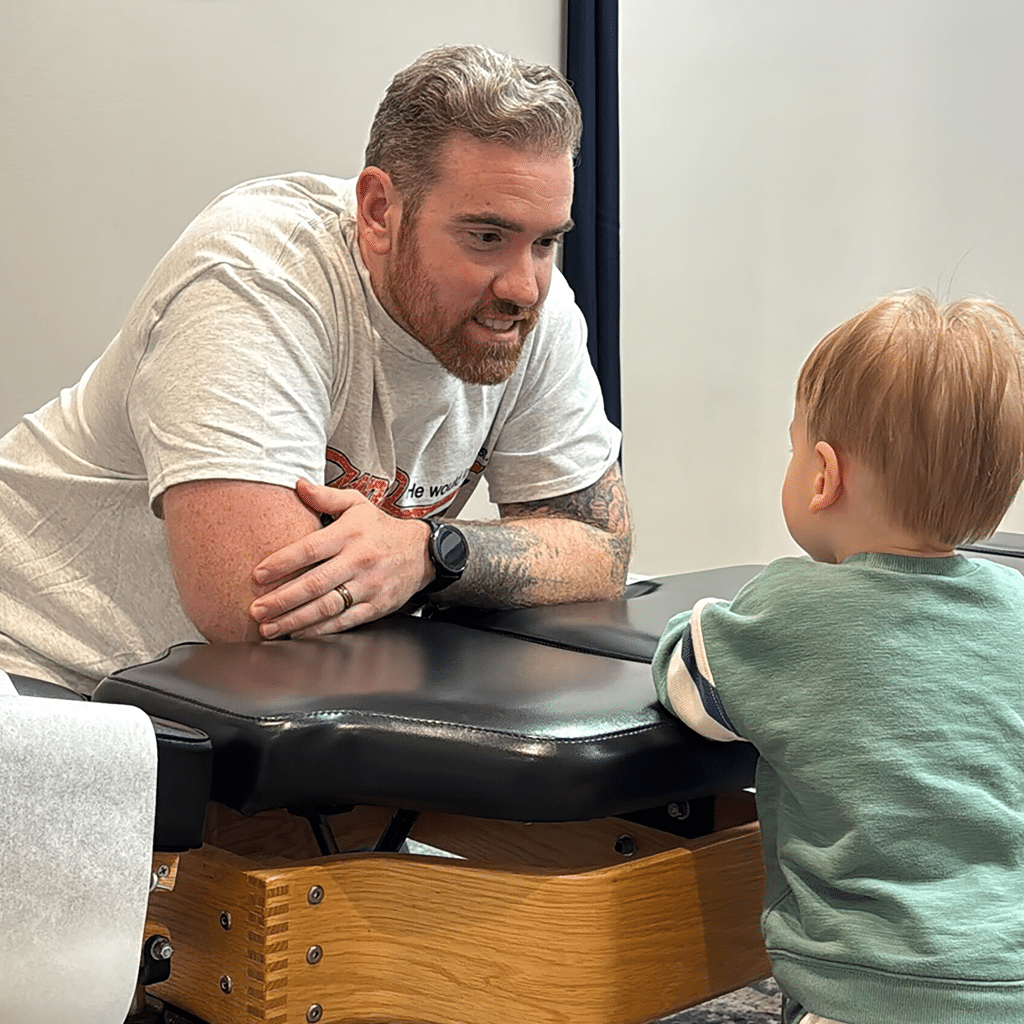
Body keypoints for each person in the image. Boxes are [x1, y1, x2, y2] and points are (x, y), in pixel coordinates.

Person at [0, 44, 631, 695]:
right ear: (380, 211)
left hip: (226, 698)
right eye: (486, 237)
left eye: (546, 241)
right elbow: (259, 609)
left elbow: (602, 548)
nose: (525, 286)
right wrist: (459, 560)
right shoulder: (255, 276)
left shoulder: (531, 309)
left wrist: (430, 552)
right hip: (42, 668)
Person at [653, 291, 1024, 1024]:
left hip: (860, 989)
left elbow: (686, 677)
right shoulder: (1015, 608)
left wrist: (694, 627)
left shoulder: (790, 605)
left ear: (823, 475)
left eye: (793, 448)